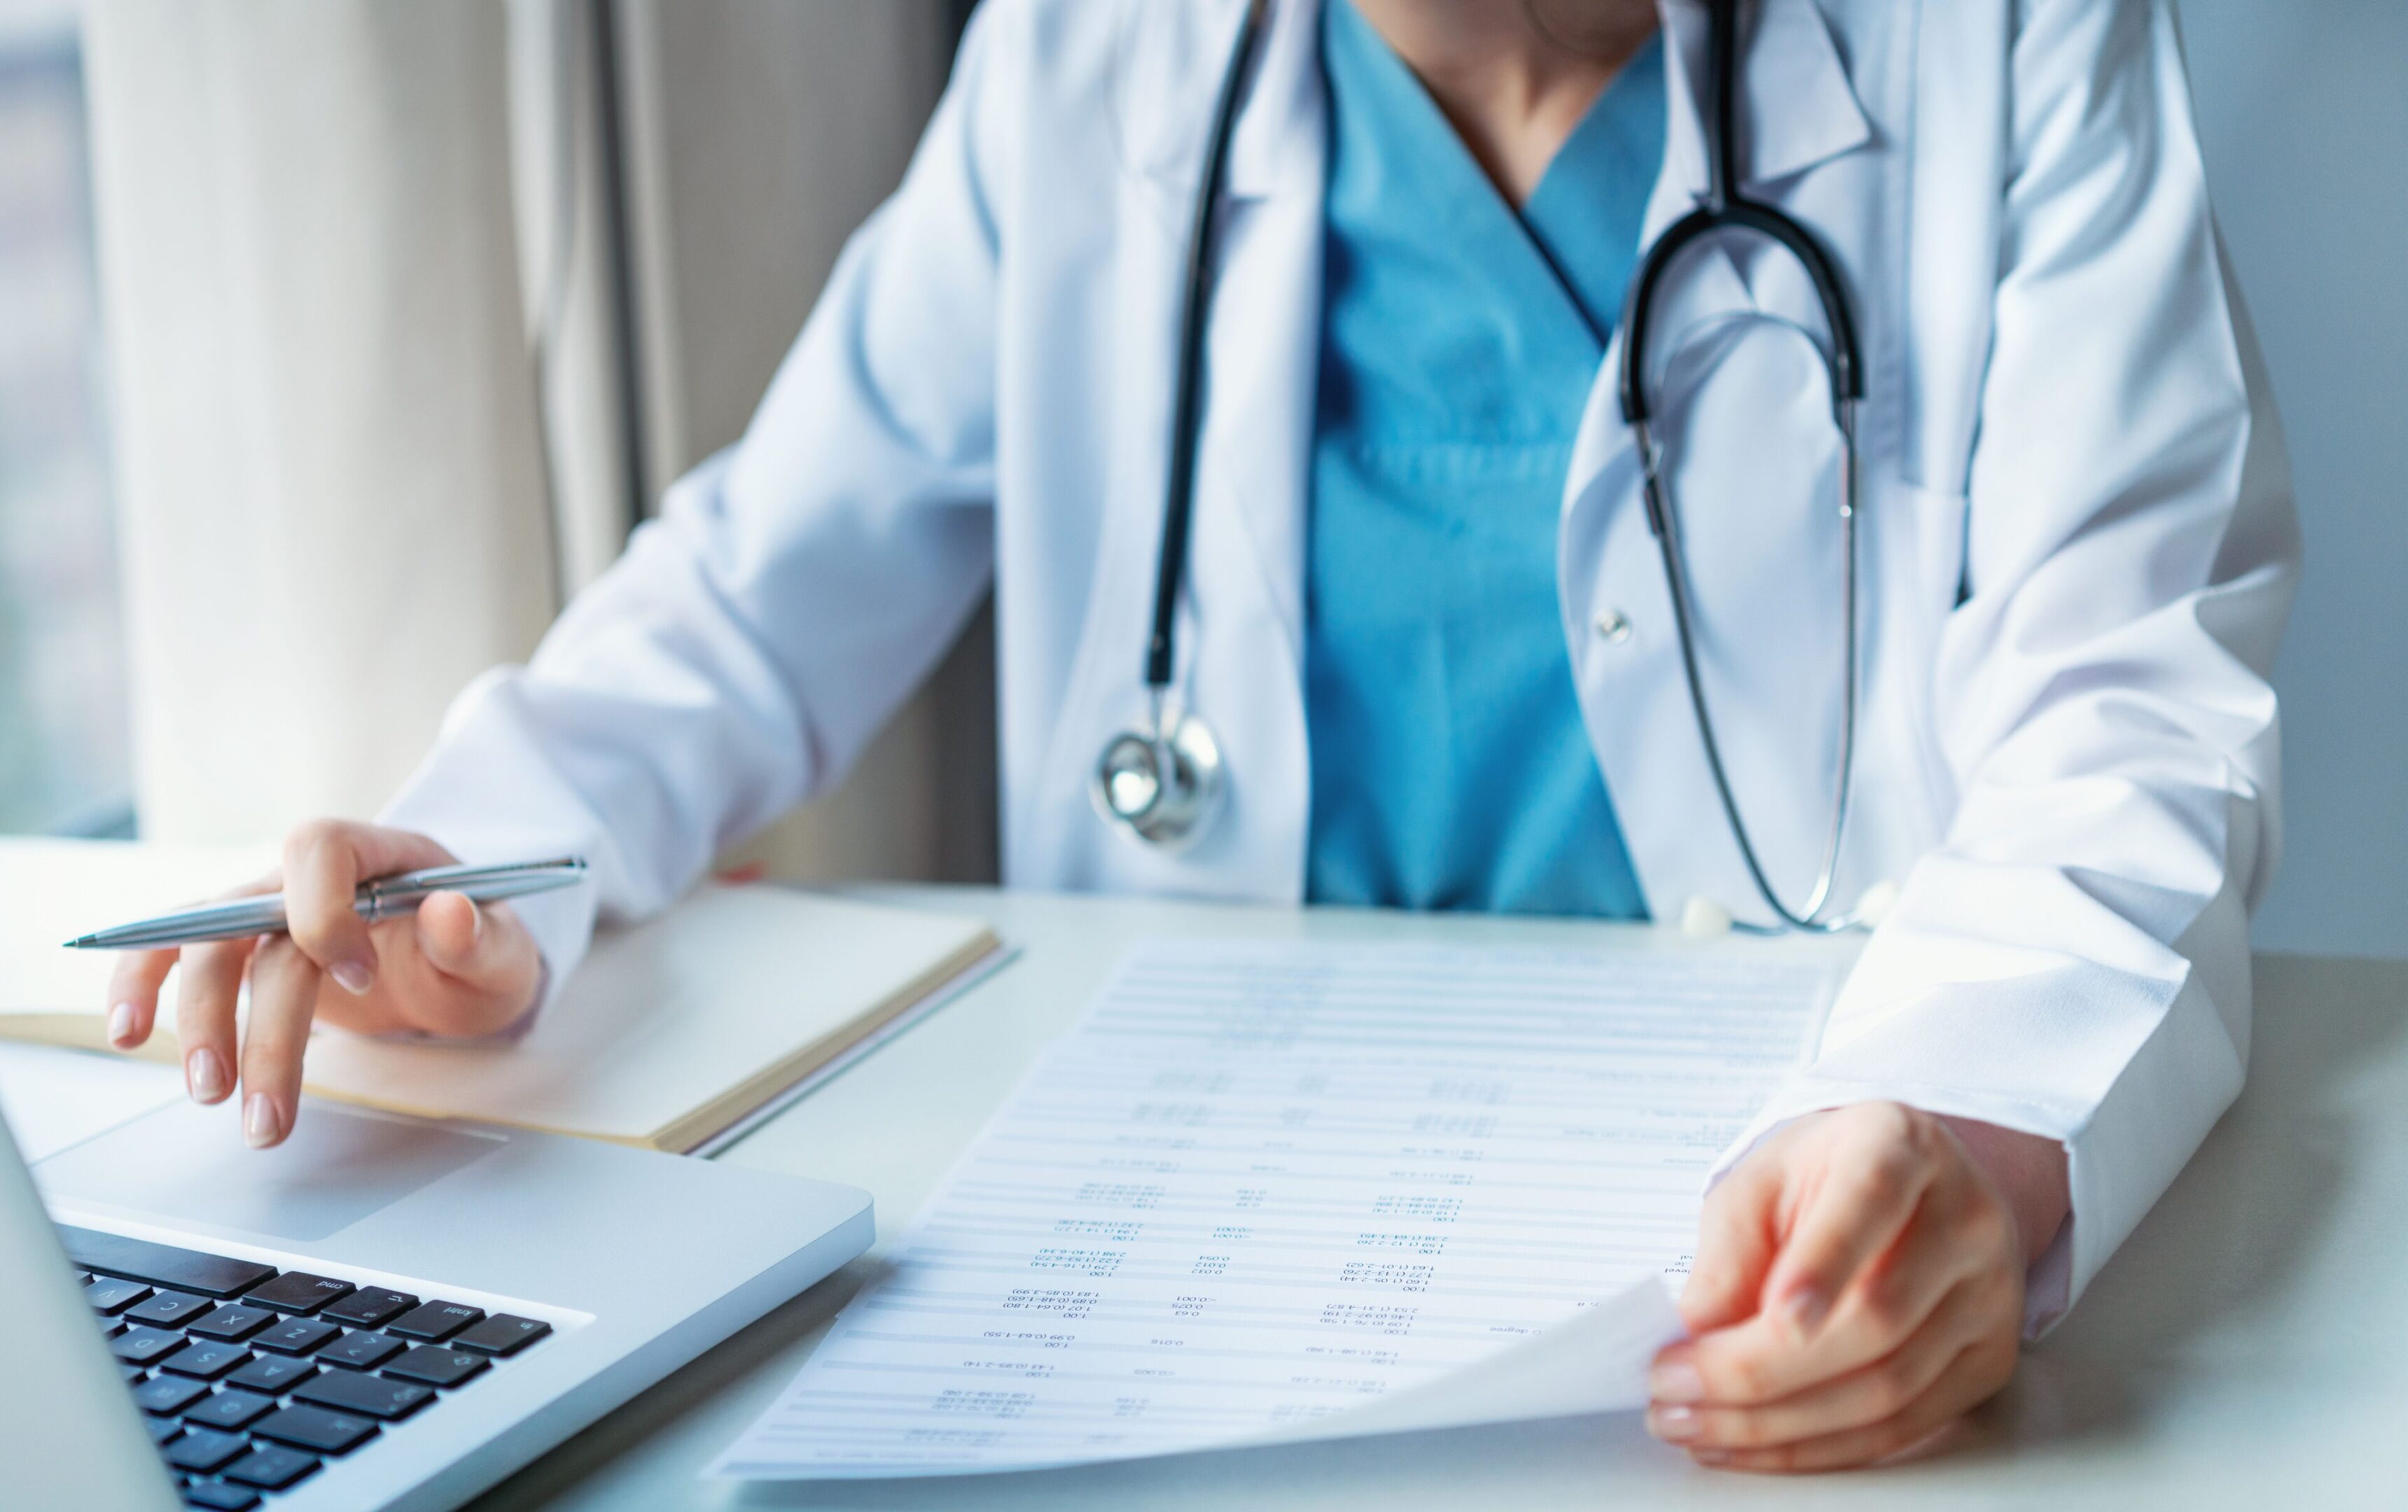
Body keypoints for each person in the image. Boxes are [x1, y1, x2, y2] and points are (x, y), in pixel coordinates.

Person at [99, 0, 2295, 1474]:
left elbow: (2131, 695)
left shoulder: (2006, 39)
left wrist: (1960, 1136)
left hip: (1748, 1248)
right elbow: (766, 577)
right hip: (1192, 1298)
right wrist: (480, 853)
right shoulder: (1108, 48)